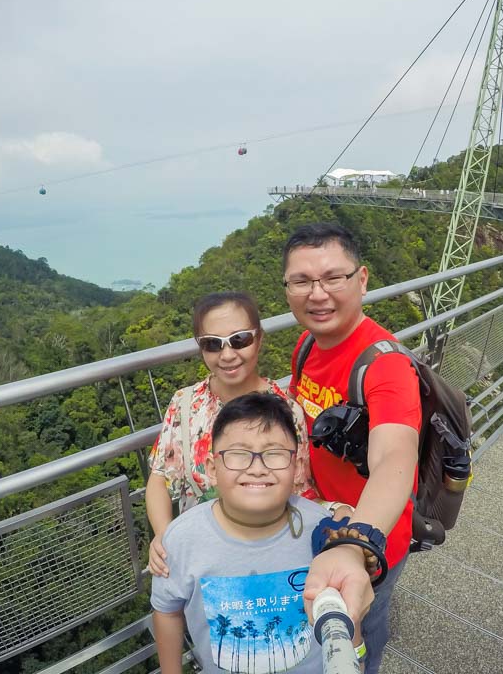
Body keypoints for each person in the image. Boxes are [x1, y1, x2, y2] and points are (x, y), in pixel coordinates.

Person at [283, 222, 421, 674]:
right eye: (301, 281)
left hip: (371, 533)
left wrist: (354, 543)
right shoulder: (307, 344)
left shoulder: (386, 366)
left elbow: (393, 459)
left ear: (361, 280)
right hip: (324, 517)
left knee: (366, 627)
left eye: (332, 278)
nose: (317, 293)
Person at [151, 393, 348, 674]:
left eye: (274, 454)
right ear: (212, 468)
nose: (257, 468)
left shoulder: (322, 529)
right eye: (239, 454)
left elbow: (342, 609)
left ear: (296, 465)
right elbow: (167, 611)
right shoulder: (183, 539)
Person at [146, 291, 312, 578]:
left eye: (240, 340)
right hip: (197, 562)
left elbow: (299, 495)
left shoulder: (286, 412)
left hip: (268, 565)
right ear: (201, 349)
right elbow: (160, 478)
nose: (227, 355)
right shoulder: (185, 405)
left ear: (258, 339)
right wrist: (165, 537)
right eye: (212, 344)